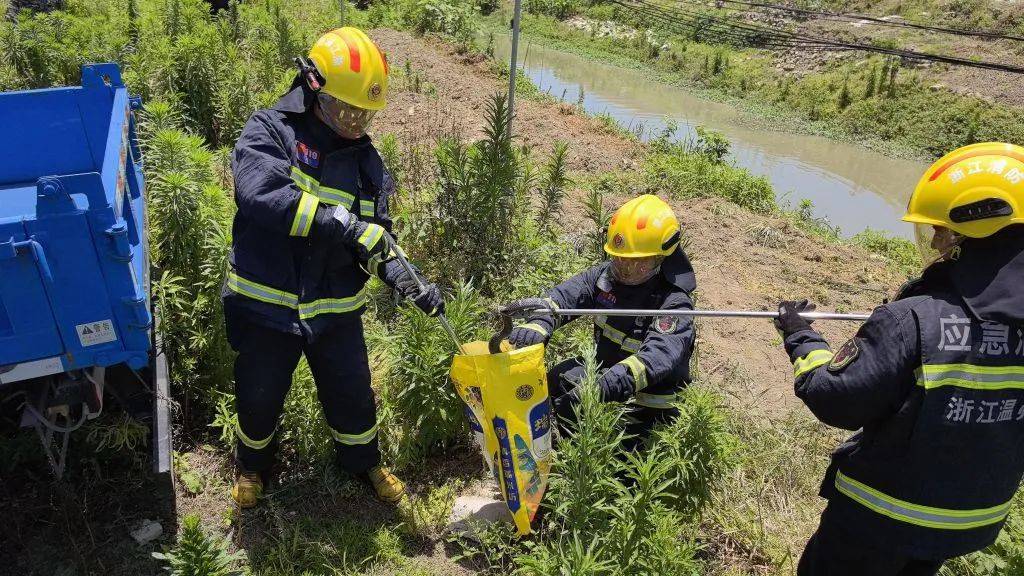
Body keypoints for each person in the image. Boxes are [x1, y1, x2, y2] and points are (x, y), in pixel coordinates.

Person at [775, 142, 1024, 576]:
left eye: (945, 233)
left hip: (877, 520)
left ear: (979, 235)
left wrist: (801, 336)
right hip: (963, 524)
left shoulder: (913, 321)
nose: (936, 243)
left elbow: (837, 398)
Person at [224, 27, 444, 508]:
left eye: (365, 113)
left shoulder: (369, 164)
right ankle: (252, 467)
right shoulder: (270, 130)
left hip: (336, 307)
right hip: (266, 301)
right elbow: (261, 196)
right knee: (259, 395)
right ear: (313, 87)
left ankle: (363, 464)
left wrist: (409, 282)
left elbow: (376, 237)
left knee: (353, 395)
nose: (355, 122)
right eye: (347, 109)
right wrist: (339, 224)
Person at [506, 194, 697, 445]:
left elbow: (658, 356)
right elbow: (565, 297)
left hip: (650, 407)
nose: (625, 269)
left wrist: (612, 383)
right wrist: (540, 322)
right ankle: (572, 452)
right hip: (608, 375)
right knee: (560, 380)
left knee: (626, 470)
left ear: (662, 259)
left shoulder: (674, 303)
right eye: (619, 259)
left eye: (637, 263)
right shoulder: (604, 278)